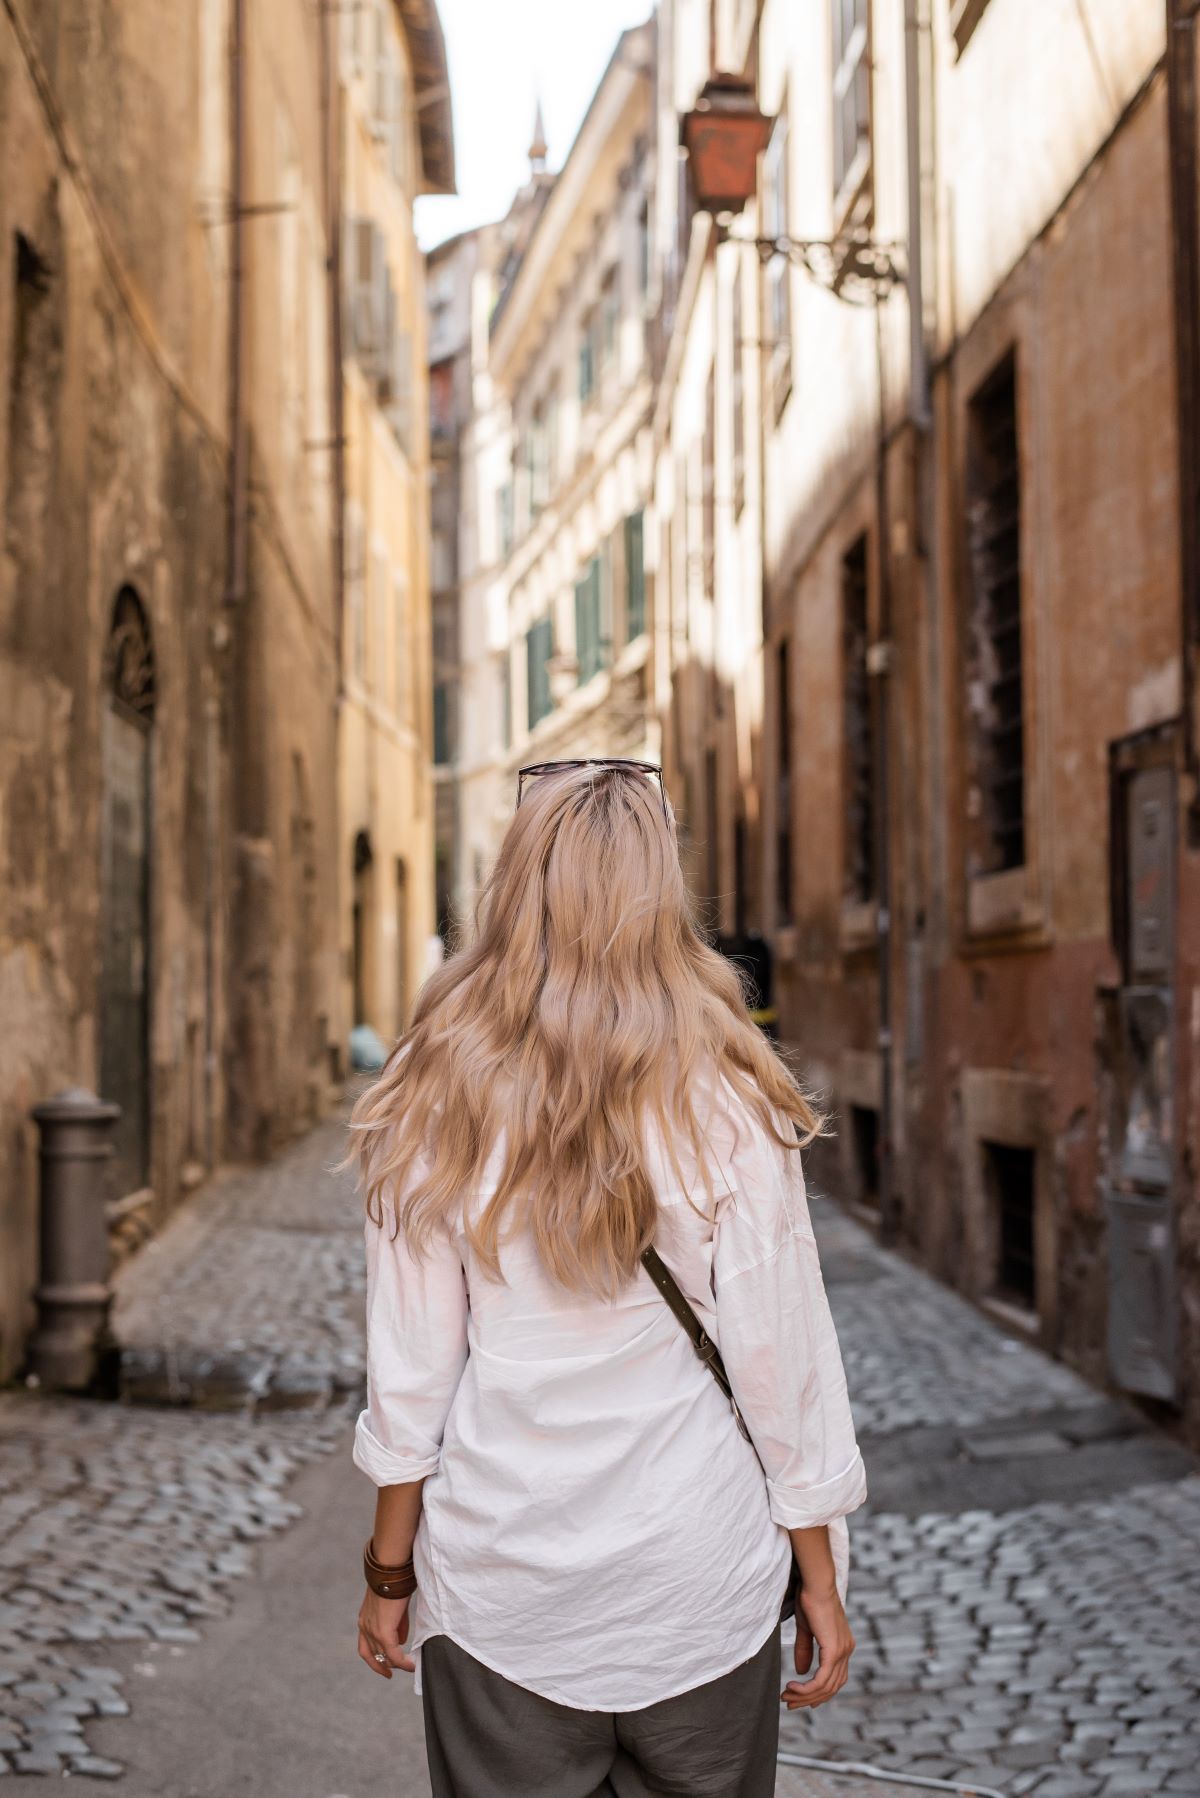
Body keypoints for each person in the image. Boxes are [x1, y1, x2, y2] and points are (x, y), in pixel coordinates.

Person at [349, 758, 867, 1798]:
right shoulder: (730, 1097)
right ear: (658, 890)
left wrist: (389, 1573)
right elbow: (781, 1366)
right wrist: (820, 1573)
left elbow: (411, 1377)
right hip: (699, 1584)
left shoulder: (431, 1092)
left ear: (515, 883)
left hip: (506, 1592)